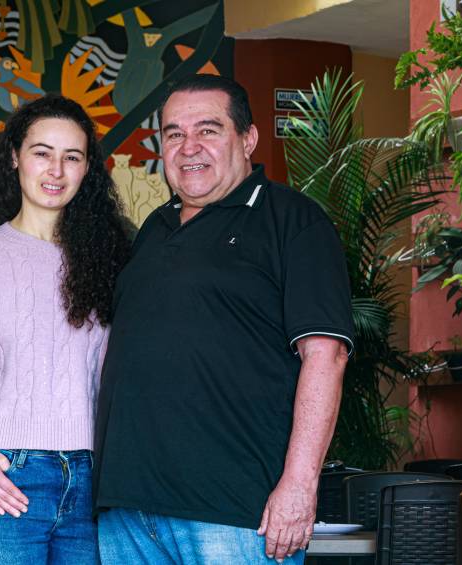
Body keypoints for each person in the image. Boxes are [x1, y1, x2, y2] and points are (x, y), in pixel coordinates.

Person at [93, 74, 354, 564]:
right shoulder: (155, 228)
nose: (189, 147)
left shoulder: (293, 220)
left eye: (208, 130)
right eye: (173, 134)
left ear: (247, 138)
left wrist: (299, 485)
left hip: (234, 513)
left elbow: (327, 354)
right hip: (129, 508)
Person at [0, 94, 131, 564]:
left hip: (93, 477)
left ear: (86, 169)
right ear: (15, 157)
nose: (55, 170)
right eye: (42, 153)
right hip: (8, 475)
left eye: (71, 157)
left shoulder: (108, 260)